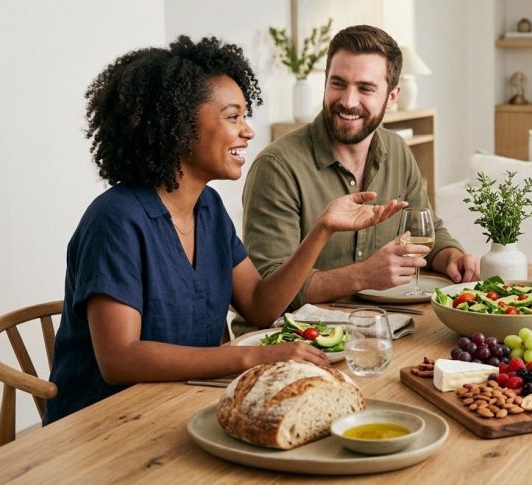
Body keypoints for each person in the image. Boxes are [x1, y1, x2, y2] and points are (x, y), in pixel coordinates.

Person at [45, 36, 406, 423]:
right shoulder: (116, 219)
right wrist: (250, 357)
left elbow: (260, 305)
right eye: (233, 117)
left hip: (179, 407)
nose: (248, 131)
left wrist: (322, 229)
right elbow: (119, 359)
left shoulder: (209, 209)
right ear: (179, 125)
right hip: (101, 426)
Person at [239, 25, 478, 330]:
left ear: (392, 96)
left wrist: (451, 256)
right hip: (292, 342)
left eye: (365, 88)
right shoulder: (277, 166)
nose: (348, 101)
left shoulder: (397, 149)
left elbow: (427, 230)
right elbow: (268, 292)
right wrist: (363, 275)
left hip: (379, 329)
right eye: (338, 83)